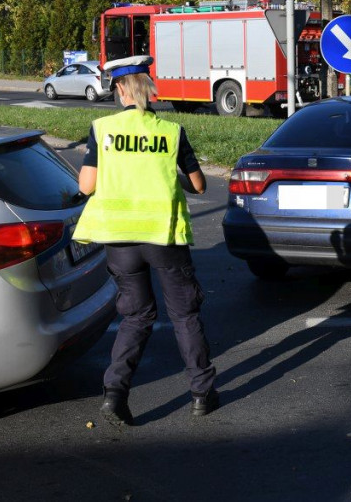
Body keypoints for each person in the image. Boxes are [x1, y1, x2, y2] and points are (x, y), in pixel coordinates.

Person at [73, 55, 217, 426]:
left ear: (120, 89)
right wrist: (173, 175)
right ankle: (202, 393)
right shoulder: (171, 132)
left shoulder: (101, 129)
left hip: (120, 241)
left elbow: (86, 186)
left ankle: (115, 393)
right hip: (162, 236)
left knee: (136, 316)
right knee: (184, 314)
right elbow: (199, 184)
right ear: (148, 90)